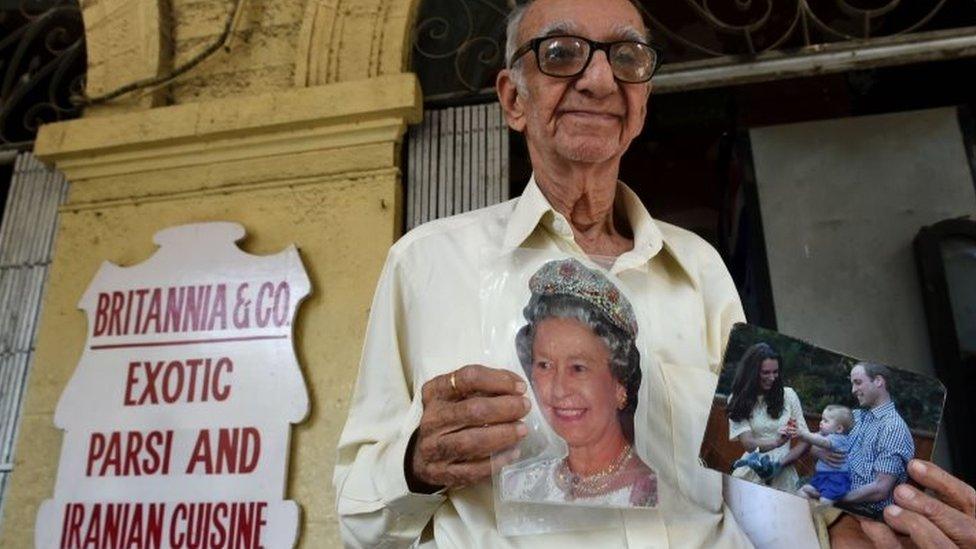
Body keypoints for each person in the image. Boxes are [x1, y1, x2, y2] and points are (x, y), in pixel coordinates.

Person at [334, 0, 976, 546]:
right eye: (561, 53)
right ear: (512, 98)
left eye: (626, 57)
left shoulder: (698, 268)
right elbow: (356, 514)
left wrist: (872, 522)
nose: (598, 80)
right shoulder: (425, 264)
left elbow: (760, 485)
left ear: (641, 102)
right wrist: (416, 463)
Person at [501, 258, 656, 508]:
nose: (559, 389)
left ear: (620, 384)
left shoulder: (648, 496)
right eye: (545, 365)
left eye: (578, 368)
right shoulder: (518, 486)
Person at [831, 362, 914, 519]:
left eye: (858, 382)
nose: (853, 390)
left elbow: (880, 489)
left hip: (867, 513)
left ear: (878, 381)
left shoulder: (893, 427)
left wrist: (836, 496)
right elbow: (822, 441)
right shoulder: (857, 416)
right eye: (852, 384)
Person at [726, 342, 809, 491]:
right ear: (752, 372)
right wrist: (778, 442)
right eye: (765, 373)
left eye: (775, 372)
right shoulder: (736, 399)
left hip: (784, 476)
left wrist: (780, 465)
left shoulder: (789, 395)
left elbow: (805, 440)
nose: (772, 377)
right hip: (750, 472)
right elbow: (749, 444)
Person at [789, 404, 854, 505]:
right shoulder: (825, 434)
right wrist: (799, 432)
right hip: (822, 477)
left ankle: (824, 517)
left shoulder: (839, 438)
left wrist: (803, 434)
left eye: (826, 421)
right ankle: (807, 510)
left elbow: (822, 442)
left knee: (825, 501)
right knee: (802, 491)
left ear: (839, 429)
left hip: (835, 479)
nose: (821, 422)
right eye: (822, 419)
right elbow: (813, 437)